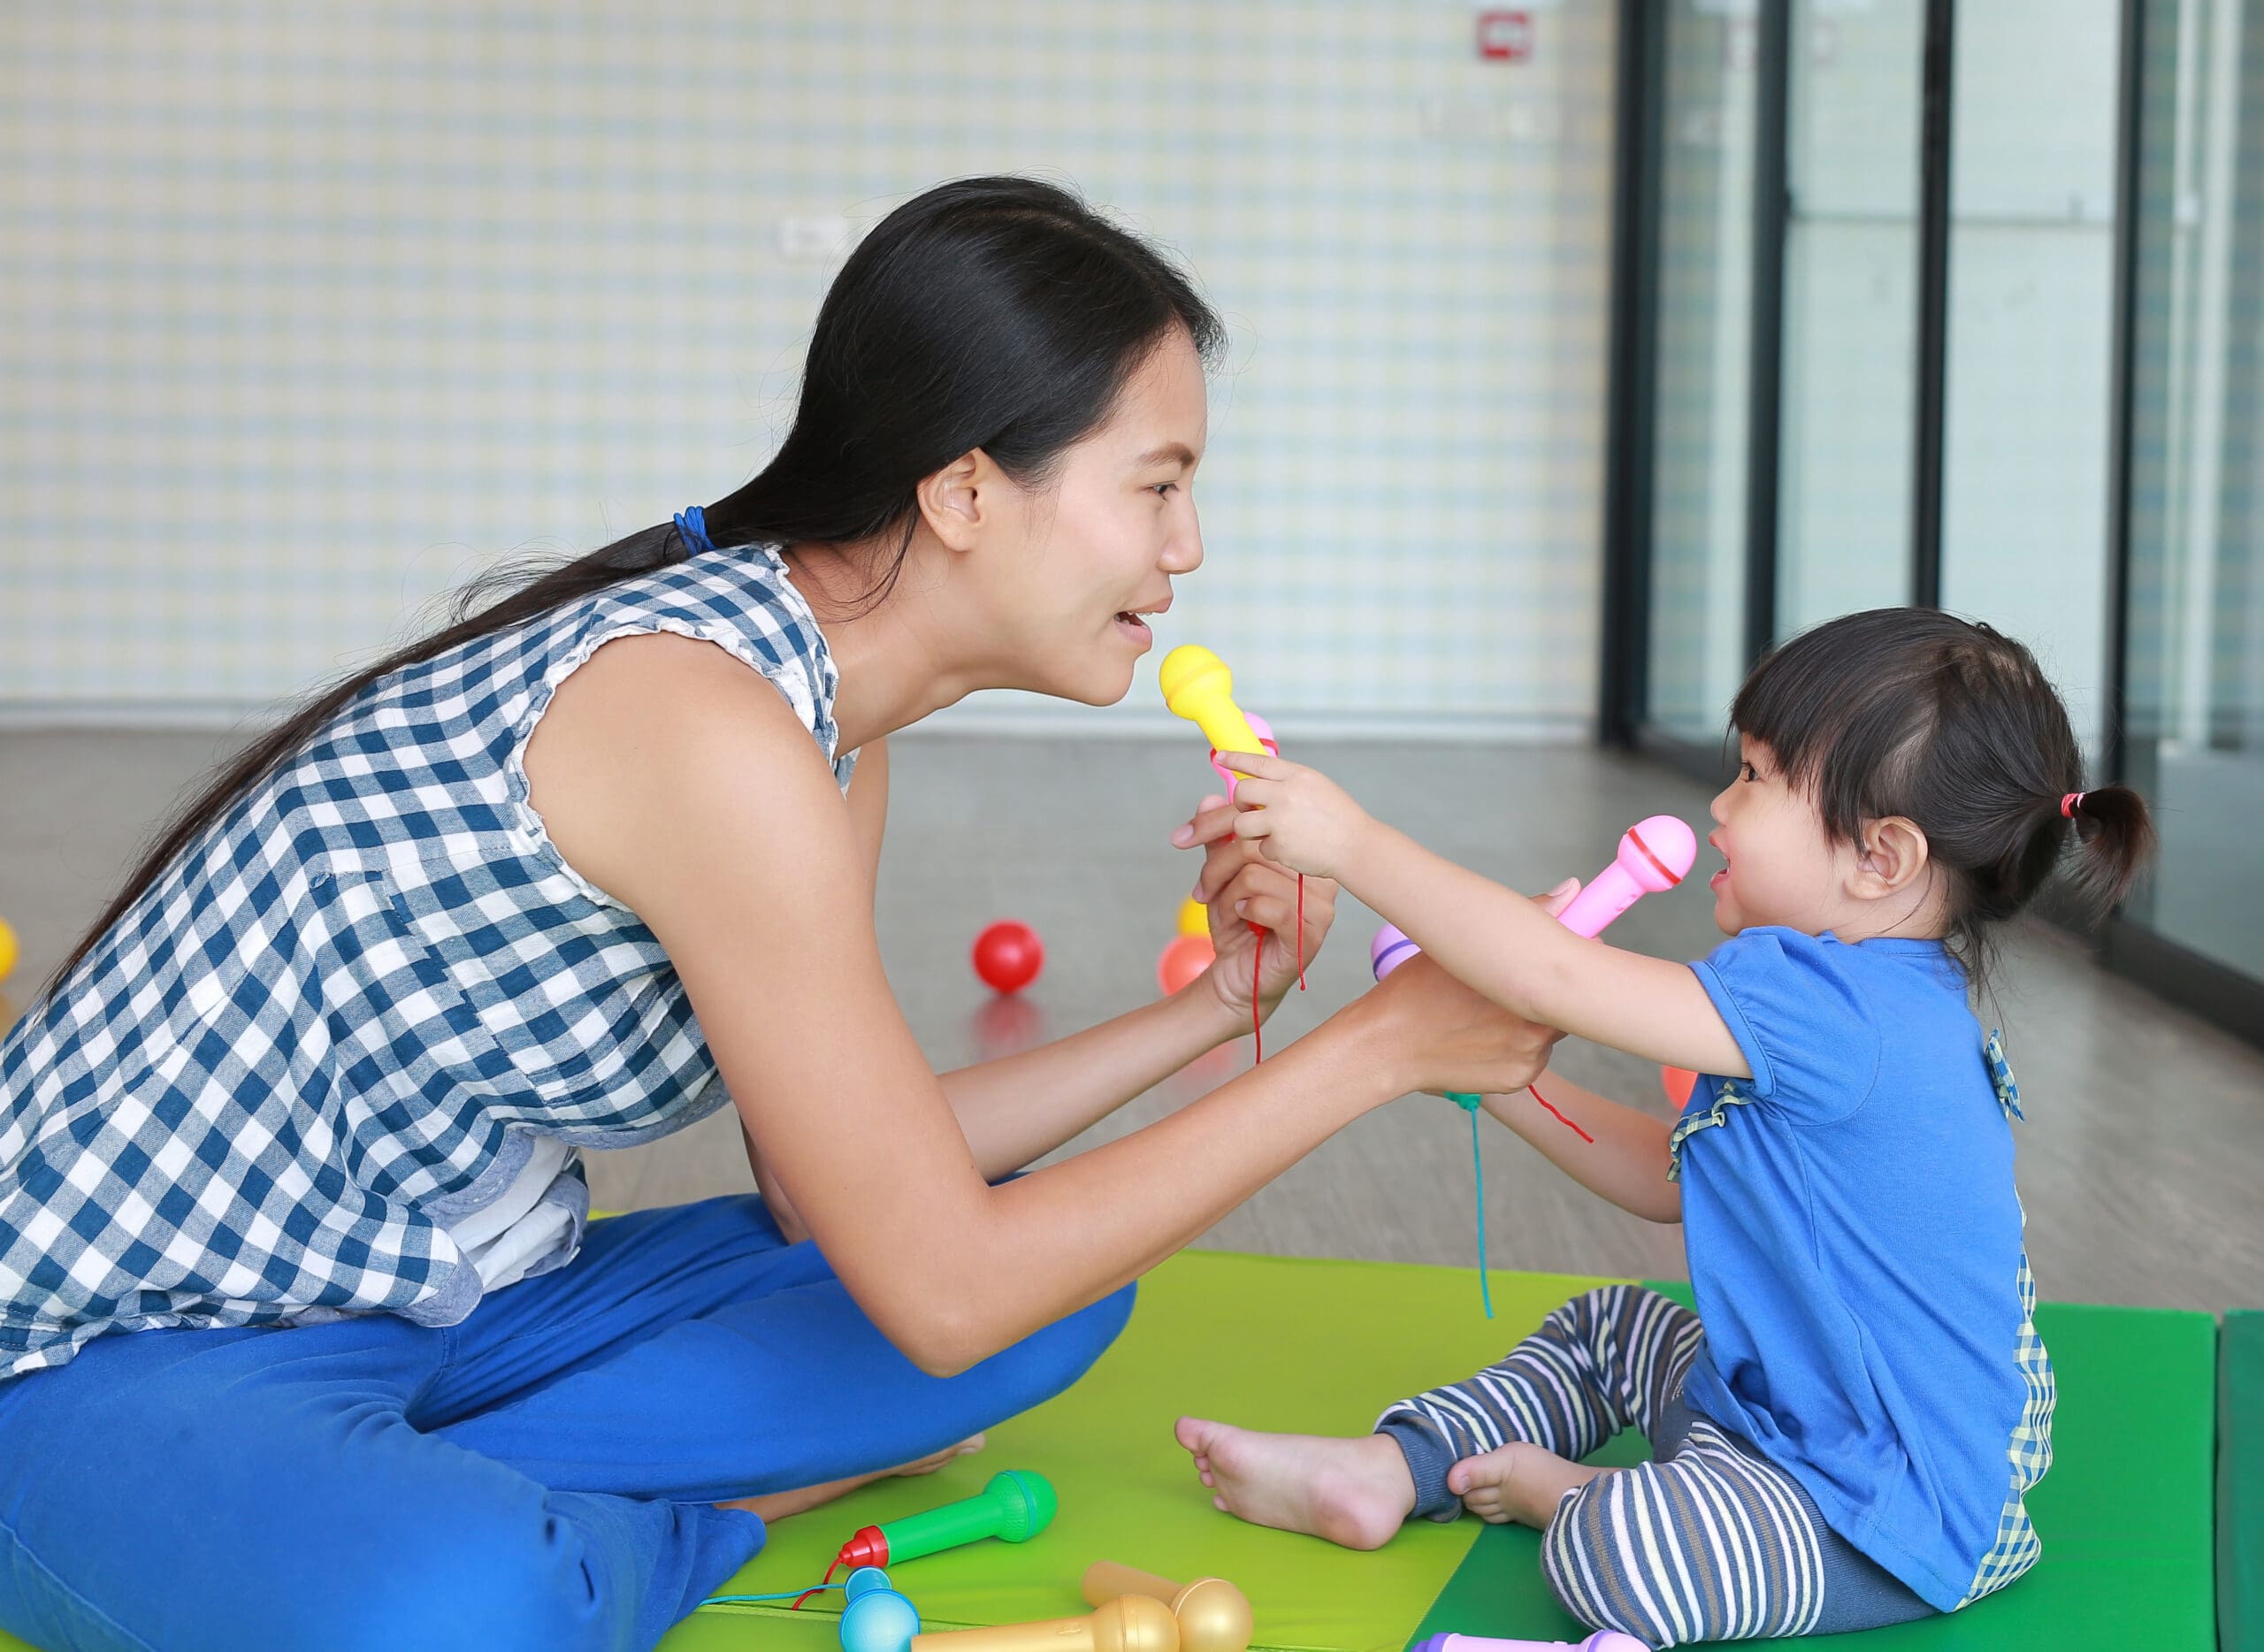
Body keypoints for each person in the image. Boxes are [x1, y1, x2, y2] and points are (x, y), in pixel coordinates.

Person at [0, 177, 1566, 1652]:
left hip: (451, 1306)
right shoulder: (713, 727)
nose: (1187, 547)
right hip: (122, 1345)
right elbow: (937, 1281)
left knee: (1061, 1292)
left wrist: (1216, 1008)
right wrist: (1372, 1054)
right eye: (1157, 485)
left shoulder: (830, 716)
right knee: (462, 1600)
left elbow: (841, 1195)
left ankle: (399, 1483)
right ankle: (618, 1527)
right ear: (964, 489)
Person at [1174, 608, 2155, 1648]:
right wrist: (1492, 1078)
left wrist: (1352, 842)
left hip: (1883, 1515)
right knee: (1611, 1326)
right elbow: (1666, 1173)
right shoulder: (1838, 998)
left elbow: (1550, 972)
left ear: (1883, 856)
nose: (1720, 805)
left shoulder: (1841, 1009)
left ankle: (1575, 1501)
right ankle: (1392, 1468)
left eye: (1757, 777)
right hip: (1771, 1421)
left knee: (1617, 1553)